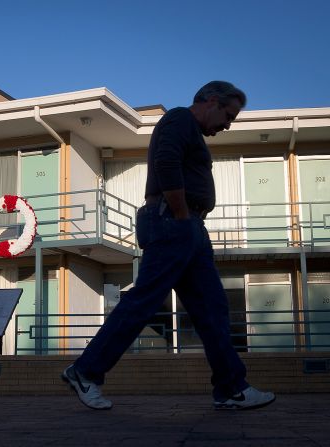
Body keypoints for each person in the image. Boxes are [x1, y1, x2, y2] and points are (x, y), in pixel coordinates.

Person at [63, 81, 276, 411]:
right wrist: (180, 215)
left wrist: (188, 220)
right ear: (211, 101)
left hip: (187, 225)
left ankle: (232, 387)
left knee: (212, 309)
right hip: (174, 221)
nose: (227, 124)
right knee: (145, 301)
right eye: (228, 115)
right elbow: (166, 161)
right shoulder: (179, 119)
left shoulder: (190, 127)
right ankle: (85, 371)